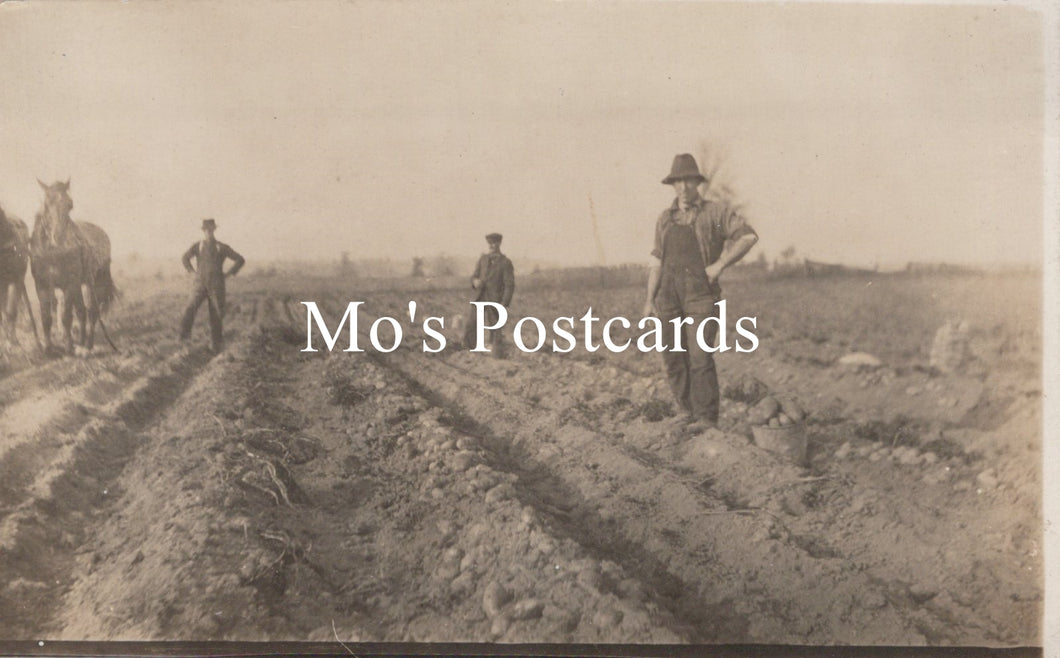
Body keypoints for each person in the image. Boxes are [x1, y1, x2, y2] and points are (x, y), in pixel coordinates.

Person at [644, 154, 758, 432]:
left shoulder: (714, 214)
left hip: (701, 296)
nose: (683, 186)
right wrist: (649, 299)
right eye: (678, 181)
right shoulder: (665, 219)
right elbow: (657, 263)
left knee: (700, 357)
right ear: (672, 185)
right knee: (672, 356)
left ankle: (707, 419)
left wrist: (719, 265)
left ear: (697, 182)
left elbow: (748, 236)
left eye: (688, 180)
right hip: (668, 297)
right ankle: (686, 410)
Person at [179, 218, 245, 353]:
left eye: (211, 229)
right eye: (206, 230)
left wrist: (229, 274)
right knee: (189, 308)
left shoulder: (221, 247)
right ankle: (184, 339)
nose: (208, 232)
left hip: (217, 285)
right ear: (203, 231)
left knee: (216, 314)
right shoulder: (198, 246)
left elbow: (240, 259)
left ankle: (216, 346)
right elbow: (185, 258)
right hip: (199, 284)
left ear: (214, 230)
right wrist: (192, 272)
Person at [462, 232, 515, 355]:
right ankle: (469, 350)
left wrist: (504, 303)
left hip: (495, 299)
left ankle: (496, 351)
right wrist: (475, 282)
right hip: (480, 297)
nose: (492, 245)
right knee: (472, 323)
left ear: (499, 244)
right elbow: (474, 276)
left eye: (494, 243)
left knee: (495, 326)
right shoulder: (483, 259)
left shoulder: (505, 262)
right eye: (490, 243)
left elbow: (509, 285)